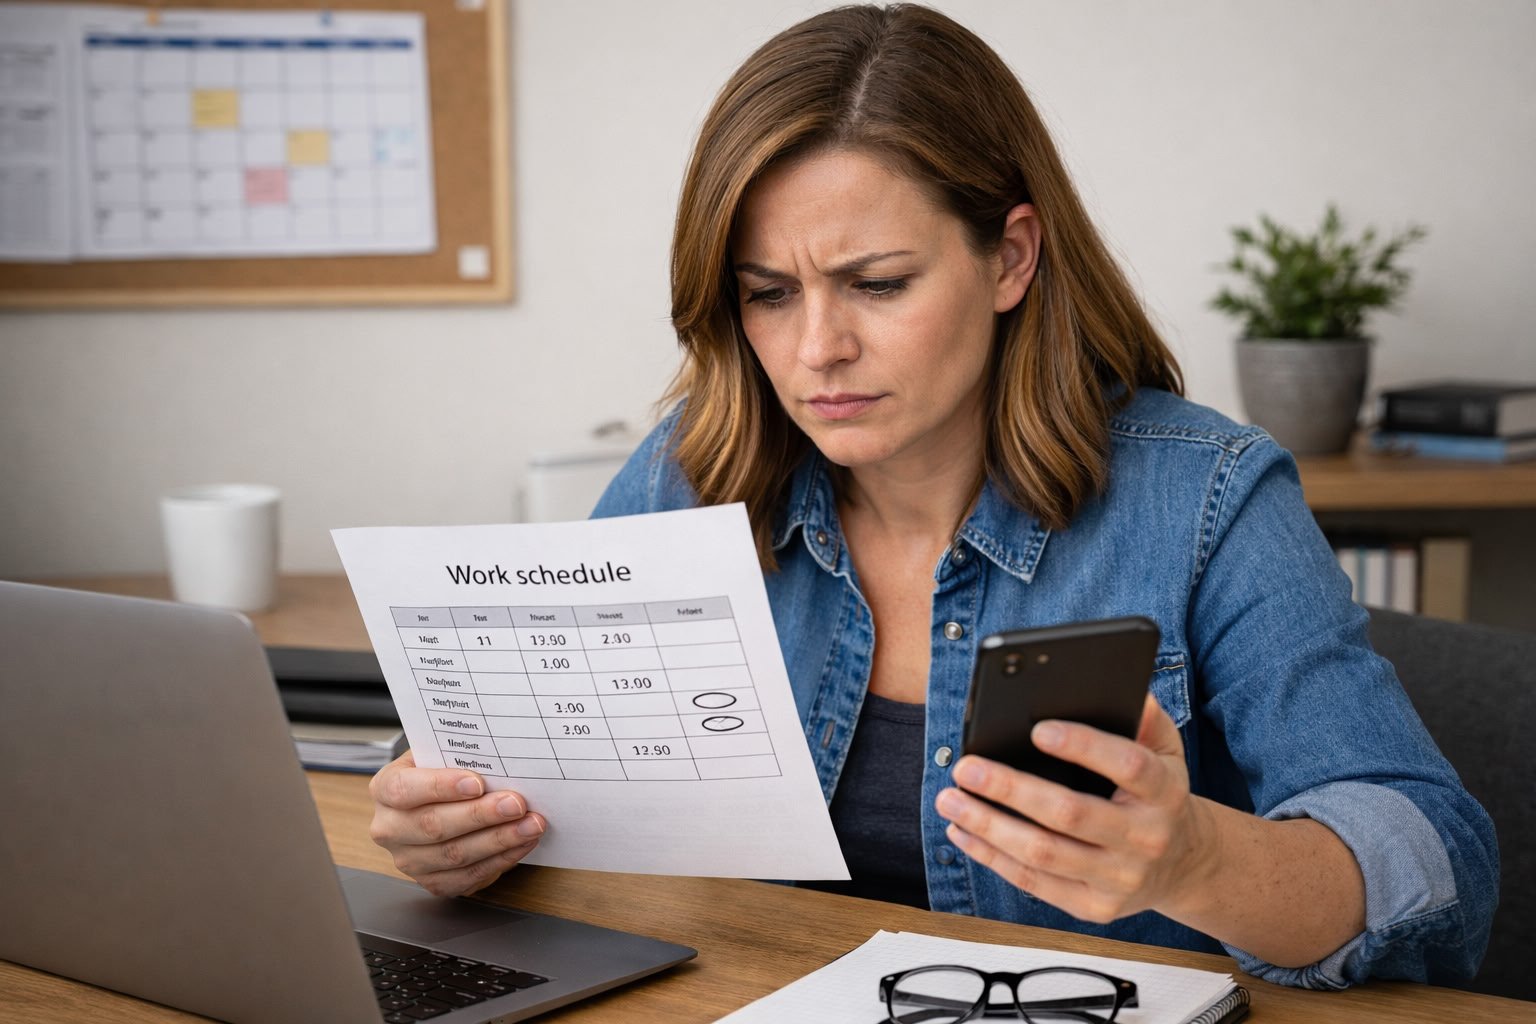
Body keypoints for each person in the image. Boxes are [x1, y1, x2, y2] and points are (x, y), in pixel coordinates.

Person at [368, 3, 1496, 989]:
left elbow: (1433, 859)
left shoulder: (1205, 496)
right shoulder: (690, 470)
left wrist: (1196, 858)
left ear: (1010, 258)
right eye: (768, 295)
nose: (817, 349)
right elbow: (535, 791)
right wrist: (457, 828)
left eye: (879, 283)